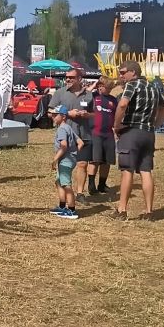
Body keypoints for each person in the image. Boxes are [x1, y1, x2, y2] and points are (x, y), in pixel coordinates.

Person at [112, 60, 164, 221]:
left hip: (131, 131)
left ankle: (122, 209)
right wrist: (155, 124)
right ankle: (149, 211)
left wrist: (116, 125)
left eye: (123, 72)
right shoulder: (153, 87)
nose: (120, 76)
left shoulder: (132, 85)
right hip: (148, 133)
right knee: (146, 171)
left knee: (127, 170)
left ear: (133, 72)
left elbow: (122, 105)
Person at [50, 68, 95, 198]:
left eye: (71, 77)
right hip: (67, 136)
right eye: (67, 77)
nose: (68, 79)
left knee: (82, 164)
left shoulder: (89, 94)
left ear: (79, 79)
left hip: (84, 134)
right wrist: (68, 114)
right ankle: (65, 193)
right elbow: (50, 112)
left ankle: (80, 193)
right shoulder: (60, 93)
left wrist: (88, 115)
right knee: (65, 166)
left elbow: (95, 114)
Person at [87, 78, 118, 194]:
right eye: (107, 87)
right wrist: (94, 85)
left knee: (107, 161)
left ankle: (102, 184)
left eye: (111, 88)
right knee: (95, 160)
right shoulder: (93, 96)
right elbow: (84, 95)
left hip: (108, 134)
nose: (109, 90)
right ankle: (91, 184)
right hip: (96, 133)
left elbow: (117, 115)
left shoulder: (113, 100)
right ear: (100, 86)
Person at [49, 105, 80, 219]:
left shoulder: (62, 129)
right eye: (52, 115)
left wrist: (55, 159)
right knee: (58, 182)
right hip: (69, 160)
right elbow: (80, 142)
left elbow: (64, 146)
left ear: (63, 117)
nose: (53, 117)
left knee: (66, 185)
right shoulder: (68, 127)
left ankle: (72, 210)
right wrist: (75, 155)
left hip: (65, 161)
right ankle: (62, 206)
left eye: (55, 115)